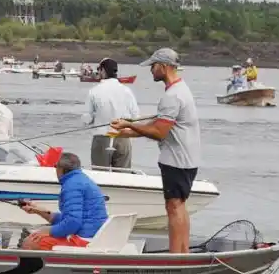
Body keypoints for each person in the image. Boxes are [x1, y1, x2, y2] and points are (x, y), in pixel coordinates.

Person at [110, 48, 200, 254]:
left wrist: (129, 124)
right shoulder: (181, 89)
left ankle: (176, 257)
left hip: (176, 159)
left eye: (153, 66)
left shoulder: (172, 96)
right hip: (187, 158)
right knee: (179, 205)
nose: (151, 70)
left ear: (164, 66)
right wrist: (126, 132)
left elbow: (159, 132)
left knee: (173, 206)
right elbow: (159, 124)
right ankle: (183, 253)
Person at [20, 152, 108, 250]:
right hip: (93, 236)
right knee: (37, 234)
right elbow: (69, 219)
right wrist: (38, 210)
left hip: (85, 239)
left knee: (30, 242)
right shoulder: (80, 180)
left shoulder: (71, 185)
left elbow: (72, 223)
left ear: (61, 169)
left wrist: (47, 230)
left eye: (55, 166)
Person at [82, 58, 140, 169]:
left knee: (100, 174)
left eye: (98, 69)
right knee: (123, 175)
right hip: (124, 138)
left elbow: (87, 119)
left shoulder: (94, 91)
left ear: (103, 70)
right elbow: (136, 117)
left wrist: (93, 118)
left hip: (102, 137)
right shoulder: (127, 91)